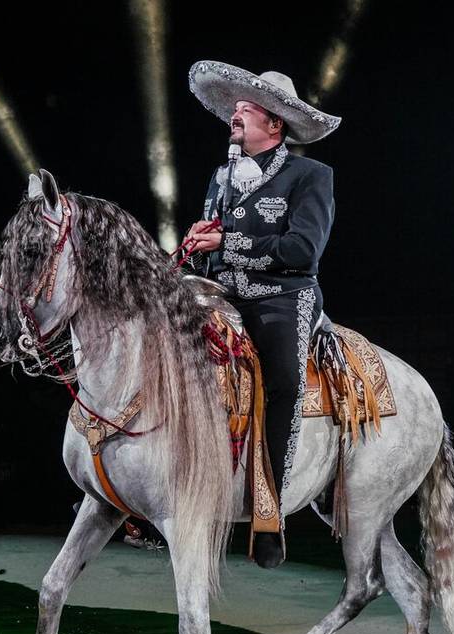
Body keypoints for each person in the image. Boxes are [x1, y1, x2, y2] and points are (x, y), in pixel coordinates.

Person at [183, 61, 340, 568]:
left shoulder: (310, 175)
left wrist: (229, 239)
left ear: (274, 125)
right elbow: (216, 250)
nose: (234, 115)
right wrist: (202, 245)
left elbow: (302, 249)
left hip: (281, 298)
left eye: (245, 110)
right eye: (233, 110)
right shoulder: (221, 175)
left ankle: (269, 512)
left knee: (282, 386)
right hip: (223, 293)